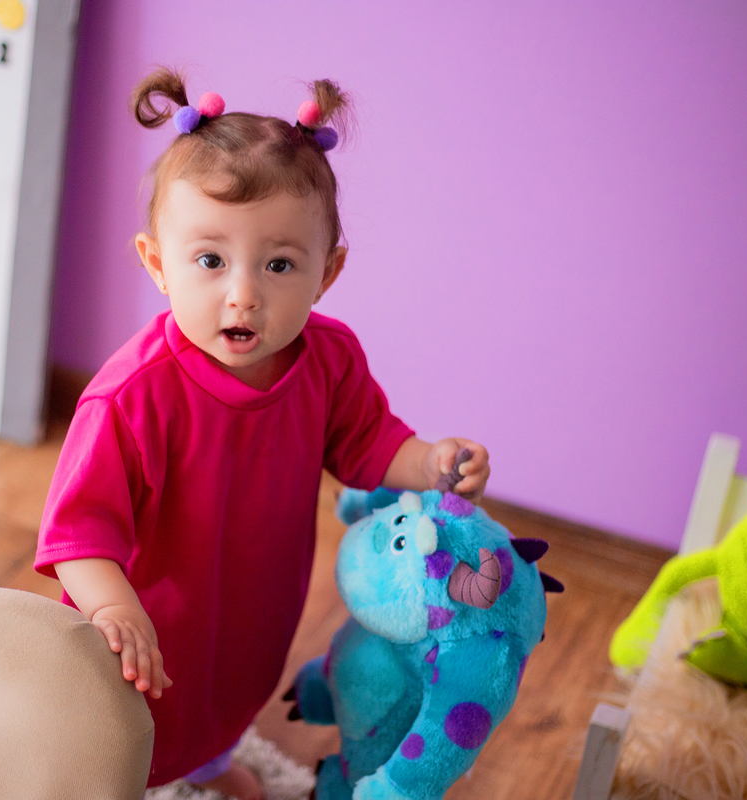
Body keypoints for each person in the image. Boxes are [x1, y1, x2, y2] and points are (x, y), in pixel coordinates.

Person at [34, 67, 490, 800]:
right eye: (210, 260)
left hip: (251, 603)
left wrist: (431, 460)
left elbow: (370, 443)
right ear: (158, 264)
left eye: (278, 264)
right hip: (144, 618)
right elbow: (79, 537)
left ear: (327, 274)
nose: (243, 292)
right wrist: (115, 609)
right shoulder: (129, 399)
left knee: (224, 691)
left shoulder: (329, 359)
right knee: (125, 727)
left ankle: (209, 760)